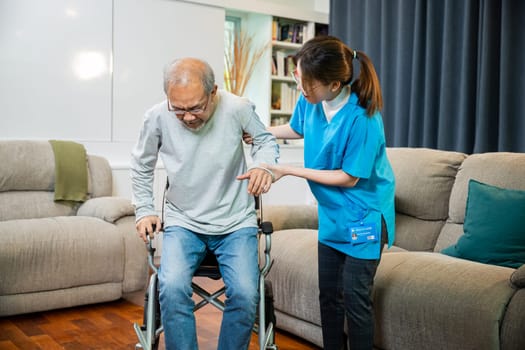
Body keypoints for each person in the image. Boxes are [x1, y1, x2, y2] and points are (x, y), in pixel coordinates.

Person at [241, 35, 395, 350]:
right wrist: (260, 131)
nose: (302, 89)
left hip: (364, 217)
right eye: (300, 79)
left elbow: (349, 177)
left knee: (355, 298)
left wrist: (287, 170)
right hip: (332, 216)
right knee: (328, 297)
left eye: (308, 84)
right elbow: (297, 128)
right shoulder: (311, 100)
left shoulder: (363, 119)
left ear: (334, 85)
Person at [130, 57, 279, 350]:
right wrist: (144, 210)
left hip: (236, 222)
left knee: (247, 293)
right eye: (179, 109)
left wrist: (264, 166)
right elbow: (141, 164)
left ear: (214, 92)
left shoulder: (237, 108)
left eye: (196, 107)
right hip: (183, 221)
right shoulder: (157, 117)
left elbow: (265, 141)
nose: (187, 117)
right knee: (171, 288)